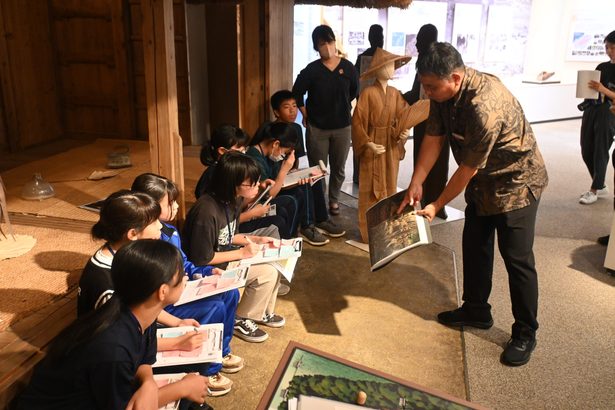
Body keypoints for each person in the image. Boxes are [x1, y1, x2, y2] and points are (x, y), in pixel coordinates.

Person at [398, 42, 548, 366]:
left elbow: (467, 168)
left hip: (517, 185)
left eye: (431, 86)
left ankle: (525, 332)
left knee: (517, 259)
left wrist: (436, 204)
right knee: (476, 245)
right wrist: (416, 180)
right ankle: (476, 310)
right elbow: (434, 138)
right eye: (424, 85)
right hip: (484, 185)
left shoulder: (485, 104)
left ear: (454, 77)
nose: (426, 92)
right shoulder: (442, 94)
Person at [19, 240, 211, 409]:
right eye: (181, 277)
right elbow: (127, 406)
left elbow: (144, 357)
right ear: (162, 292)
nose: (185, 279)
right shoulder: (113, 347)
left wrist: (148, 383)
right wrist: (182, 388)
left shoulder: (139, 309)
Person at [78, 190, 233, 395]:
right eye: (154, 222)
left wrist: (177, 323)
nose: (161, 227)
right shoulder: (107, 286)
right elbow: (124, 343)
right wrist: (176, 342)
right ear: (132, 234)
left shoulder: (127, 256)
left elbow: (142, 307)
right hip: (113, 361)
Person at [131, 173, 244, 377]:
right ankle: (208, 368)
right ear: (149, 205)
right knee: (215, 307)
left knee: (230, 293)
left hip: (182, 290)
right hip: (165, 302)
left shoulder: (170, 232)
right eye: (170, 202)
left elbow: (186, 264)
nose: (176, 207)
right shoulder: (141, 245)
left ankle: (221, 350)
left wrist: (208, 272)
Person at [183, 151, 284, 343]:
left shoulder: (233, 200)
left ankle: (261, 312)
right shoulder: (205, 212)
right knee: (267, 273)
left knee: (275, 264)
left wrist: (252, 239)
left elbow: (228, 235)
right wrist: (242, 253)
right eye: (251, 183)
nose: (256, 187)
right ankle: (240, 318)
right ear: (232, 183)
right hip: (208, 269)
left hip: (225, 256)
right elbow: (202, 259)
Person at [351, 47, 429, 242]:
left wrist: (404, 131)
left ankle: (385, 230)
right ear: (378, 69)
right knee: (369, 188)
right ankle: (368, 234)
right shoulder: (368, 93)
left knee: (390, 185)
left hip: (391, 145)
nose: (392, 68)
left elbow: (403, 116)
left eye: (393, 65)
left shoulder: (395, 94)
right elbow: (358, 121)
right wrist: (367, 143)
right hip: (373, 144)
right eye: (388, 65)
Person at [292, 24, 359, 216]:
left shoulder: (348, 68)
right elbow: (297, 92)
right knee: (318, 169)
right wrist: (305, 114)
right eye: (322, 43)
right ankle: (319, 203)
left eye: (329, 41)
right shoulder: (312, 70)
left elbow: (354, 91)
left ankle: (334, 200)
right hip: (317, 128)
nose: (327, 46)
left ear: (334, 42)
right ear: (316, 47)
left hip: (343, 127)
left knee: (339, 168)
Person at [248, 121, 345, 246]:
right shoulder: (254, 158)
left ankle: (318, 221)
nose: (283, 156)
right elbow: (269, 194)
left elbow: (278, 179)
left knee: (311, 181)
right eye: (285, 152)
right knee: (296, 195)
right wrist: (285, 169)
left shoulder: (270, 154)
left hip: (276, 189)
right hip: (262, 200)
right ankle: (299, 231)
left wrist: (295, 174)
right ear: (276, 144)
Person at [195, 123, 292, 239]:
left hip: (235, 221)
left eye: (245, 150)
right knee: (277, 221)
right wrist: (252, 214)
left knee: (281, 210)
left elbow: (236, 203)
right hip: (226, 231)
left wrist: (260, 188)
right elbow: (222, 219)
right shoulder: (215, 175)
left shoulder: (231, 171)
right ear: (222, 151)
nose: (244, 154)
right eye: (239, 151)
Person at [402, 23, 449, 220]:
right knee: (423, 158)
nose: (417, 44)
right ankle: (426, 198)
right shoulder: (422, 63)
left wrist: (403, 97)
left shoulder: (437, 63)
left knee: (439, 162)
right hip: (423, 118)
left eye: (420, 40)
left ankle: (436, 202)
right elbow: (417, 94)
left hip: (440, 117)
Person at [578, 30, 615, 205]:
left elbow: (606, 92)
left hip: (609, 113)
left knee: (601, 150)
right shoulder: (602, 66)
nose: (609, 51)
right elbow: (593, 90)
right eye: (607, 47)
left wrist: (603, 90)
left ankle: (594, 190)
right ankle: (599, 183)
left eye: (613, 48)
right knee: (586, 149)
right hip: (592, 110)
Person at [353, 24, 384, 184]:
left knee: (377, 141)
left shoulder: (383, 57)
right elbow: (355, 81)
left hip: (375, 104)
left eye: (381, 35)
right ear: (371, 38)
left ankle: (368, 176)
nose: (380, 39)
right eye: (377, 35)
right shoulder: (364, 57)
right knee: (363, 139)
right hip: (367, 104)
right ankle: (362, 176)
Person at [270, 89, 307, 170]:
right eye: (287, 107)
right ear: (277, 112)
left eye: (294, 106)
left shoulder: (297, 128)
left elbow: (300, 155)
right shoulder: (270, 129)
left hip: (292, 171)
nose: (292, 111)